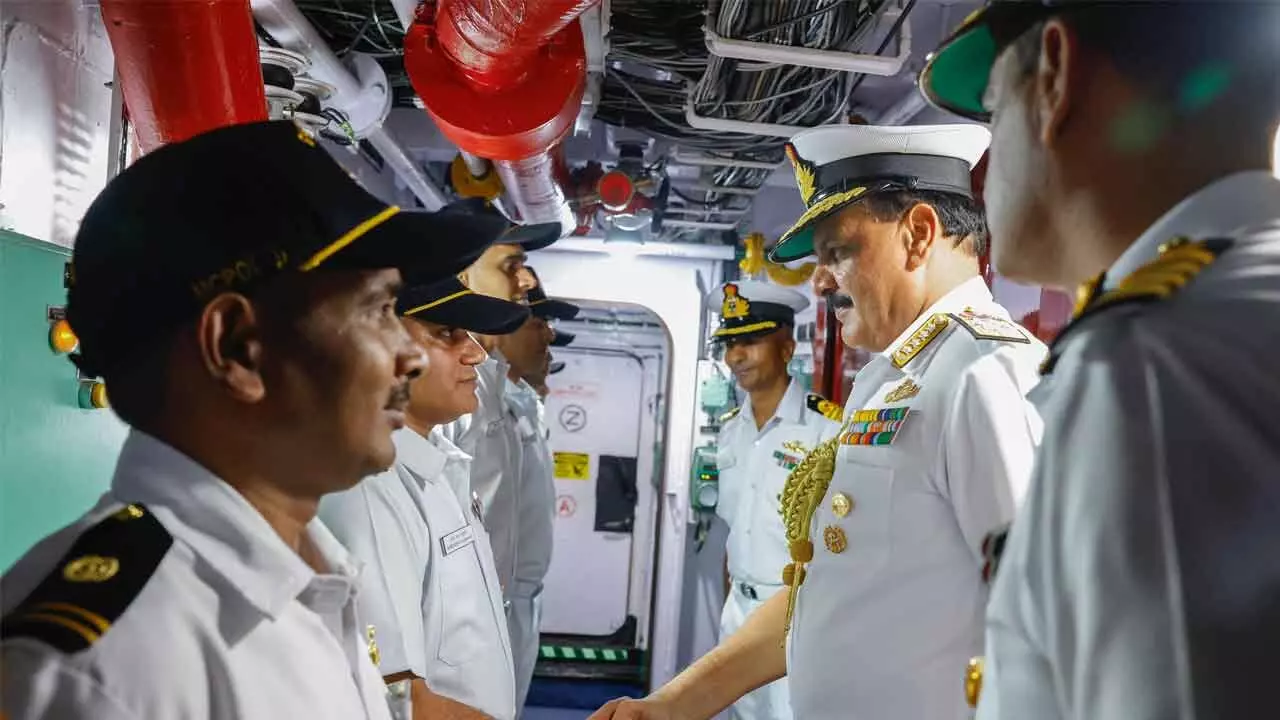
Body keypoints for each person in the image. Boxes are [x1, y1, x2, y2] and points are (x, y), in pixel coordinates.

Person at [0, 120, 510, 720]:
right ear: (239, 347)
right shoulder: (105, 667)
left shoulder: (306, 579)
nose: (411, 355)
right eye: (376, 311)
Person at [591, 123, 1047, 720]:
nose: (820, 280)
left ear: (917, 235)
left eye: (838, 252)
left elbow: (1045, 633)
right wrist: (669, 707)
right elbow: (819, 590)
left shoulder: (985, 373)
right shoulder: (890, 380)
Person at [918, 2, 1280, 718]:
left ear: (1055, 76)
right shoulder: (1243, 303)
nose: (985, 172)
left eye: (993, 113)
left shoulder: (1151, 367)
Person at [319, 274, 532, 720]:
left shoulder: (437, 469)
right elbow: (397, 697)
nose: (475, 352)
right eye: (447, 334)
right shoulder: (370, 488)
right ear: (379, 343)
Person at [705, 280, 844, 720]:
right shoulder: (731, 430)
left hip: (794, 617)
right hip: (737, 615)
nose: (734, 357)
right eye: (729, 344)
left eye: (749, 342)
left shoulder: (826, 430)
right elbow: (733, 535)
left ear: (787, 347)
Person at [442, 208, 561, 616]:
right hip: (459, 614)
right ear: (463, 277)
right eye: (511, 266)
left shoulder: (490, 380)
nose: (526, 281)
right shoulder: (444, 386)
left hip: (501, 603)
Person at [498, 268, 581, 714]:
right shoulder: (475, 407)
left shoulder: (521, 407)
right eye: (537, 322)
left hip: (521, 601)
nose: (549, 334)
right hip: (494, 603)